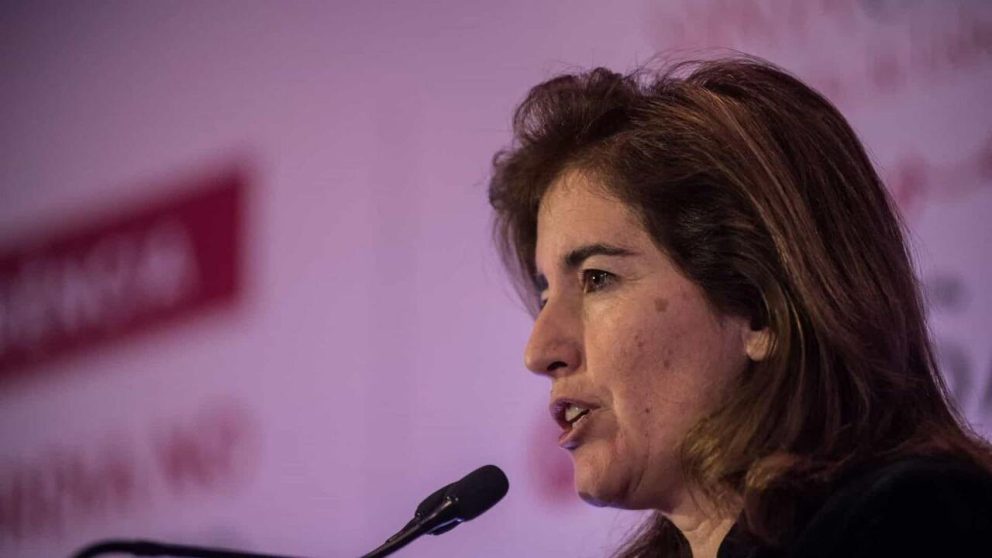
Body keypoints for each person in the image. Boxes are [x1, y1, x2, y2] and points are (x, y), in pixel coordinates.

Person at [487, 56, 992, 558]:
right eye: (545, 296)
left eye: (597, 278)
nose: (539, 351)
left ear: (758, 306)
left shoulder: (915, 519)